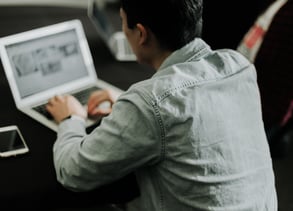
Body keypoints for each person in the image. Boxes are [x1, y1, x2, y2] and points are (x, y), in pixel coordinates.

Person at [46, 0, 277, 210]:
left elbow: (73, 172)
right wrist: (128, 108)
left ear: (142, 34)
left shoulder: (150, 104)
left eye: (124, 23)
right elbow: (192, 109)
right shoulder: (239, 66)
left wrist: (71, 119)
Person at [237, 0, 293, 158]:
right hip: (248, 91)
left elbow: (282, 64)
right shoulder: (281, 4)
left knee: (246, 156)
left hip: (265, 103)